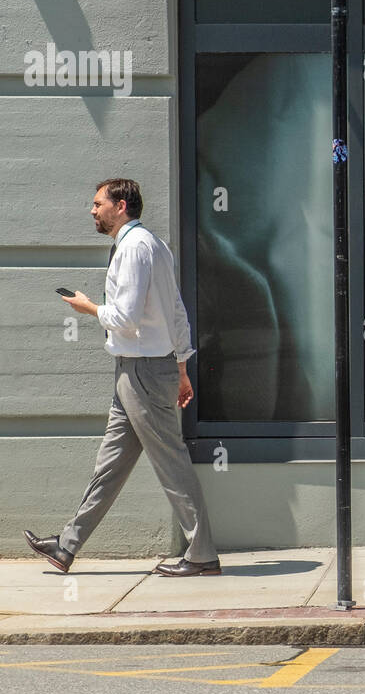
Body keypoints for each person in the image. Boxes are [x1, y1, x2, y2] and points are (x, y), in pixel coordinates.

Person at [23, 179, 221, 576]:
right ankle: (66, 545)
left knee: (170, 462)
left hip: (143, 371)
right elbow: (176, 312)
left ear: (122, 205)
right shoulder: (154, 245)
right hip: (145, 369)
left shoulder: (133, 249)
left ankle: (201, 555)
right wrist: (181, 368)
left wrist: (89, 308)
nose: (92, 210)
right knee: (110, 463)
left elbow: (126, 319)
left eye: (99, 203)